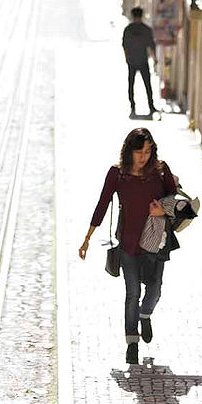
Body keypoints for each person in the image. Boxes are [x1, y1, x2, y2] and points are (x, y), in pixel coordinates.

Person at [78, 128, 180, 365]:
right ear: (129, 151)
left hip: (156, 242)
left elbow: (173, 199)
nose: (144, 156)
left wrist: (161, 209)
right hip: (128, 242)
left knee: (154, 290)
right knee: (132, 292)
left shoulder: (161, 170)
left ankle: (146, 315)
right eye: (139, 151)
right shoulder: (117, 173)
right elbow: (102, 203)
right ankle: (131, 342)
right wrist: (87, 238)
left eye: (148, 151)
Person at [122, 7, 157, 118]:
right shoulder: (146, 30)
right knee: (147, 85)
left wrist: (127, 58)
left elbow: (124, 45)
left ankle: (133, 107)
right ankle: (150, 107)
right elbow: (151, 46)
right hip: (141, 60)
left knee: (132, 85)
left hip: (133, 61)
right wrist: (154, 58)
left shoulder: (128, 29)